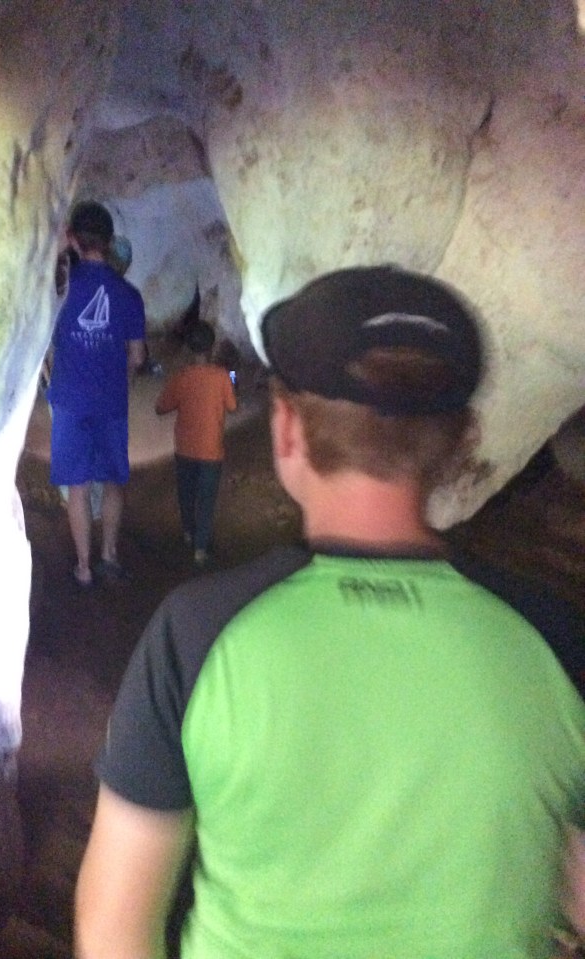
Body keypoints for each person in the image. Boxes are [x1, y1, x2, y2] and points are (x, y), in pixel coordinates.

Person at [74, 265, 585, 959]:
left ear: (286, 429)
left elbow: (113, 930)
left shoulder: (194, 636)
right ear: (463, 442)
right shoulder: (556, 645)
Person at [47, 200, 146, 587]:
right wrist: (120, 376)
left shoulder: (60, 290)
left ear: (72, 238)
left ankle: (84, 567)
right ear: (109, 242)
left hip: (70, 400)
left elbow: (48, 342)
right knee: (113, 481)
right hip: (110, 400)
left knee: (77, 485)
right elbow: (137, 356)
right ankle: (109, 555)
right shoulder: (128, 294)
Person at [155, 320, 237, 567]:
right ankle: (200, 550)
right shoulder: (223, 376)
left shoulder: (182, 377)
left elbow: (160, 408)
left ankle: (188, 534)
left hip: (185, 449)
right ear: (211, 348)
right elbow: (233, 406)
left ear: (189, 348)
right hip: (211, 450)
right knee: (207, 498)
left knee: (187, 494)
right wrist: (233, 377)